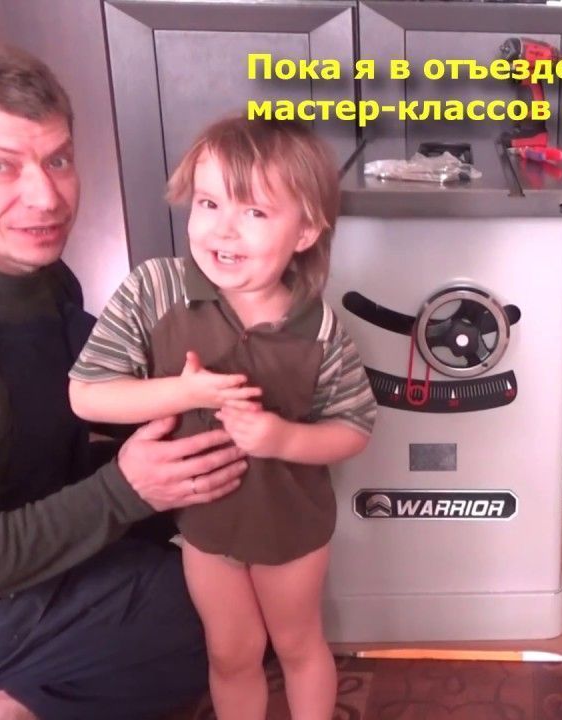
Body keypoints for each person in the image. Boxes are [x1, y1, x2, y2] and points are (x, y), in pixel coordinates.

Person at [0, 39, 250, 719]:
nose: (46, 197)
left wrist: (225, 373)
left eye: (58, 160)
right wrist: (125, 490)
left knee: (241, 521)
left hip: (37, 506)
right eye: (0, 166)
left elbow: (95, 384)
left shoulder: (39, 275)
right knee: (210, 621)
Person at [68, 115, 376, 719]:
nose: (223, 229)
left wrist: (281, 437)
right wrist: (183, 393)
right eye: (209, 203)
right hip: (204, 530)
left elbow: (353, 428)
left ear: (305, 230)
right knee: (231, 655)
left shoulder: (318, 327)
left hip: (290, 529)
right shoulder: (154, 291)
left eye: (255, 211)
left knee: (298, 646)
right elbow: (88, 396)